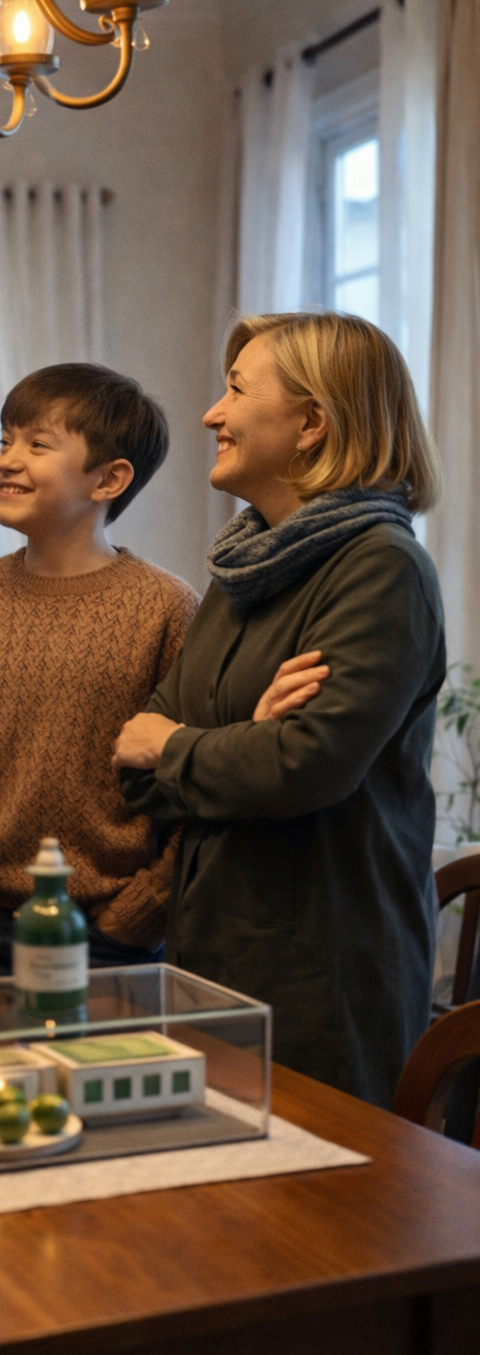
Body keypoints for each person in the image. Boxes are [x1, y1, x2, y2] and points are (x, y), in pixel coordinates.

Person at [115, 312, 444, 1108]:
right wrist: (238, 742)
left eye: (235, 390)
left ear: (311, 424)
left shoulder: (382, 568)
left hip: (321, 969)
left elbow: (301, 768)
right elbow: (134, 762)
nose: (211, 414)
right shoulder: (246, 566)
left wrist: (190, 746)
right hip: (210, 951)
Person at [0, 363, 200, 982]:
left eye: (37, 444)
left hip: (106, 932)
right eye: (4, 441)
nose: (6, 461)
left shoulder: (166, 607)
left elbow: (191, 787)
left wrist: (141, 912)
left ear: (109, 479)